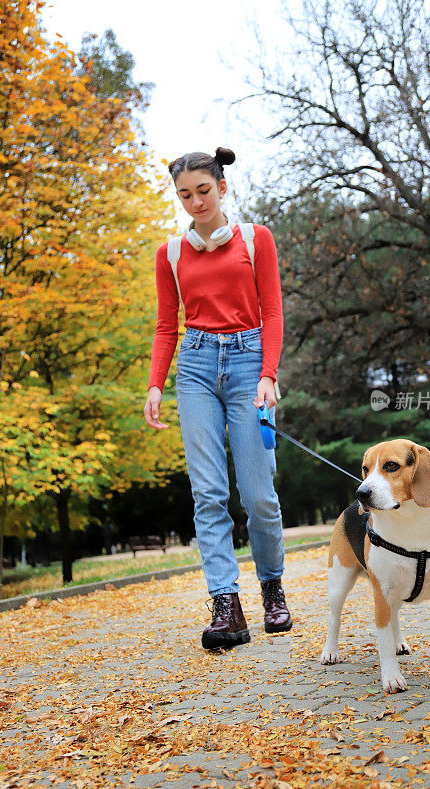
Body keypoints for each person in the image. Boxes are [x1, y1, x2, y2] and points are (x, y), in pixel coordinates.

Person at [144, 147, 292, 651]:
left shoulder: (256, 239)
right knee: (208, 494)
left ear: (222, 187)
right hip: (197, 367)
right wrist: (155, 384)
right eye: (184, 194)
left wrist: (268, 375)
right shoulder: (170, 253)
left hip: (251, 363)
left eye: (203, 190)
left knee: (257, 496)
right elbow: (168, 326)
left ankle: (272, 586)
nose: (195, 201)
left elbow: (271, 312)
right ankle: (226, 605)